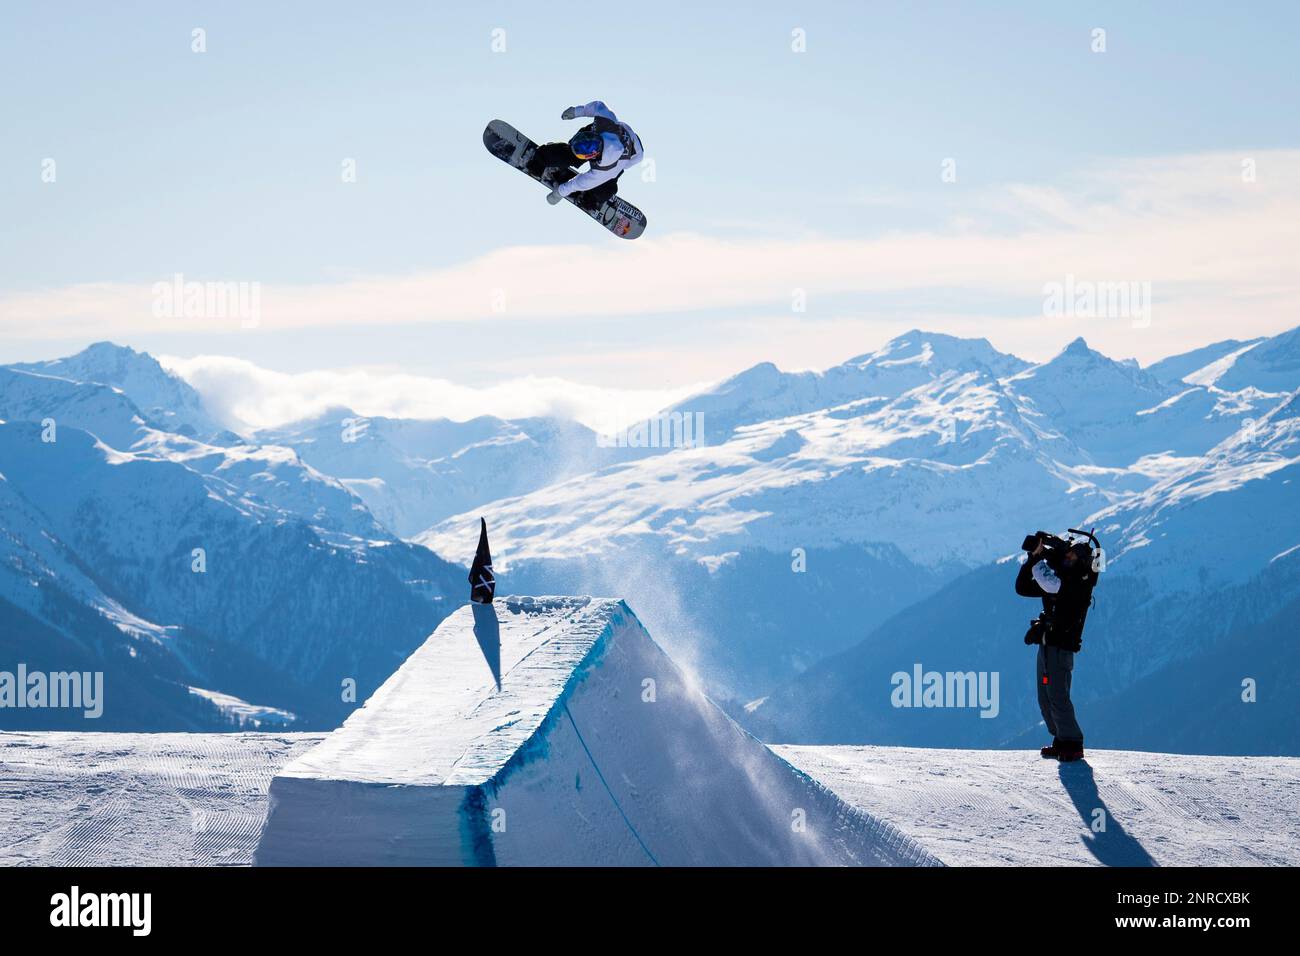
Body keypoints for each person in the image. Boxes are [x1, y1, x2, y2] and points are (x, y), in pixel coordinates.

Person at [1015, 533, 1094, 762]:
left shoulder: (1076, 582)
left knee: (1058, 695)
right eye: (1066, 554)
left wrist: (1038, 558)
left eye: (1072, 556)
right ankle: (1060, 739)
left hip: (1061, 646)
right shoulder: (1061, 579)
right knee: (1045, 695)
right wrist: (1032, 559)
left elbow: (1048, 583)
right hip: (1048, 644)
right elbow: (1022, 587)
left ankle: (1072, 743)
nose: (1067, 558)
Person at [526, 101, 644, 212]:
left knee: (607, 184)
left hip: (633, 155)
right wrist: (577, 111)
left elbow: (579, 183)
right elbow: (598, 106)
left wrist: (559, 193)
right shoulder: (604, 123)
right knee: (570, 152)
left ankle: (592, 198)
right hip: (614, 132)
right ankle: (544, 158)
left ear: (593, 156)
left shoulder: (605, 170)